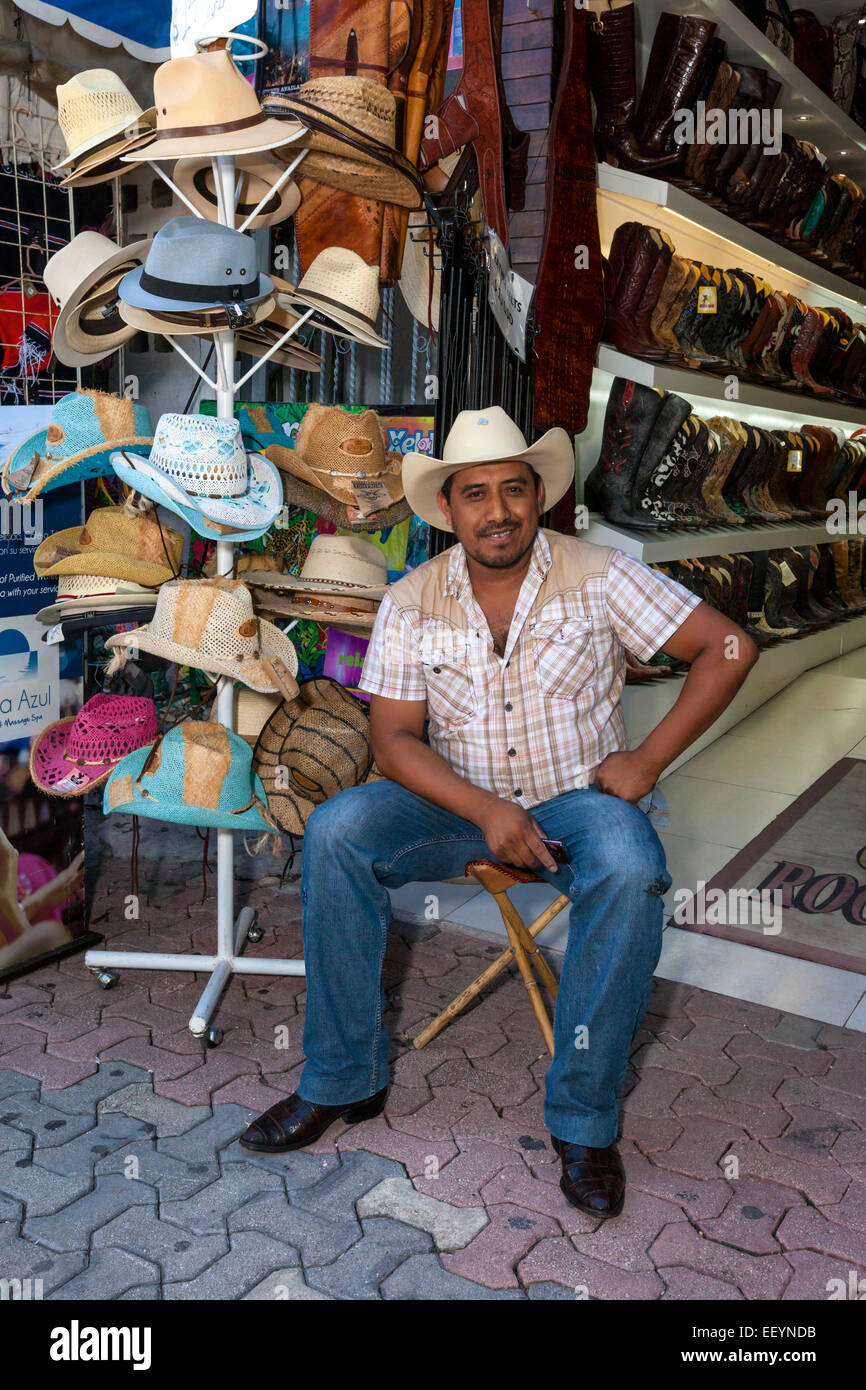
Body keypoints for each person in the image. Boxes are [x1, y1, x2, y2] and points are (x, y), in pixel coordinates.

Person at [241, 407, 758, 1219]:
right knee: (339, 829)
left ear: (537, 497)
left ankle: (584, 1122)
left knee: (629, 867)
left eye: (513, 490)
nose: (497, 510)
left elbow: (728, 648)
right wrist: (483, 810)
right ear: (448, 509)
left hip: (578, 801)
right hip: (453, 802)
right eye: (475, 494)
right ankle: (342, 1079)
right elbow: (394, 737)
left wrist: (647, 761)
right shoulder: (411, 598)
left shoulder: (600, 573)